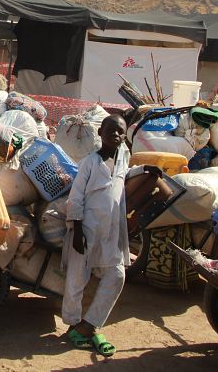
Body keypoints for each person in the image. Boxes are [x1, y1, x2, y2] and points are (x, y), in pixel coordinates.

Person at [62, 114, 157, 357]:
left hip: (111, 229)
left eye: (120, 131)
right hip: (87, 228)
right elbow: (76, 197)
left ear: (124, 136)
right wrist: (77, 229)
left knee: (117, 275)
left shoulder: (123, 155)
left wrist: (146, 169)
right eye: (110, 130)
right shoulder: (90, 162)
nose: (115, 135)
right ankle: (72, 323)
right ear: (101, 133)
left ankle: (89, 324)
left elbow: (126, 175)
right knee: (77, 279)